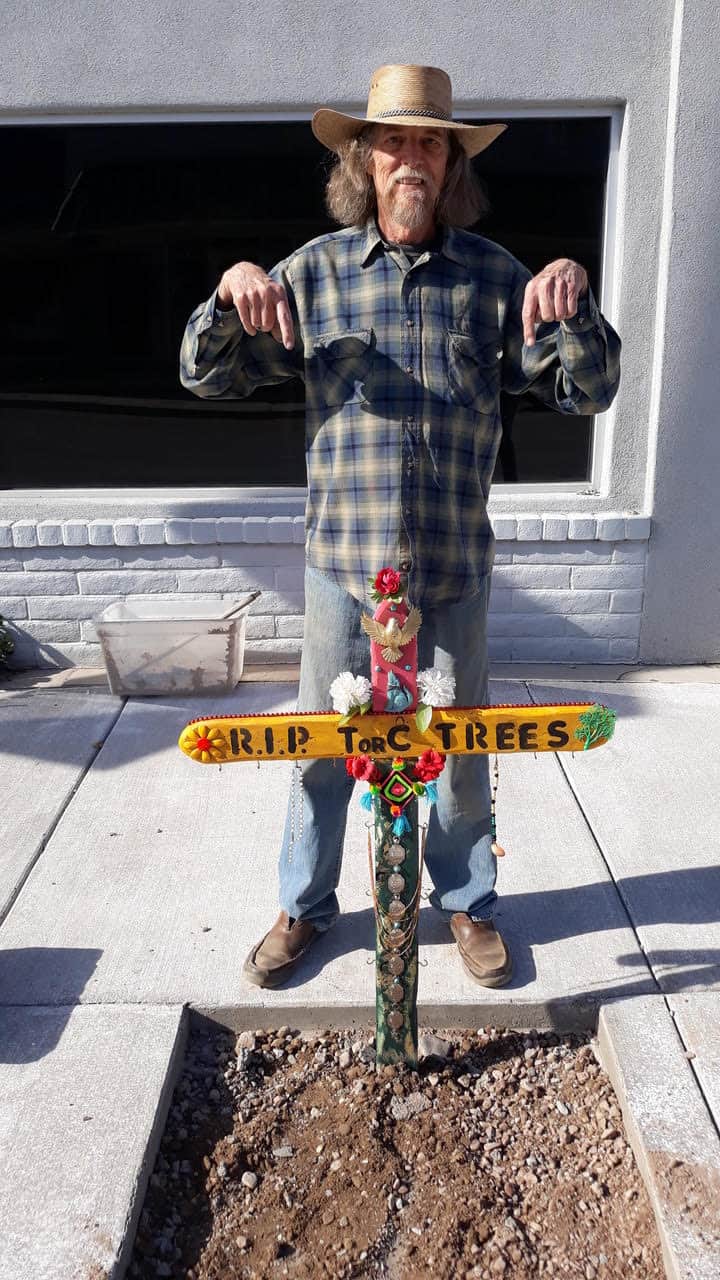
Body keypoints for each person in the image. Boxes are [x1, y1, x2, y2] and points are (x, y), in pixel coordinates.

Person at [180, 64, 621, 991]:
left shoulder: (500, 279)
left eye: (431, 142)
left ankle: (466, 903)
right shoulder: (312, 274)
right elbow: (207, 376)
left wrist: (577, 301)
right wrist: (228, 294)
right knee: (321, 746)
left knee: (457, 748)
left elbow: (587, 391)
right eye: (394, 141)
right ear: (363, 160)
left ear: (451, 165)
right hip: (344, 569)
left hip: (454, 569)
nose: (412, 158)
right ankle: (304, 905)